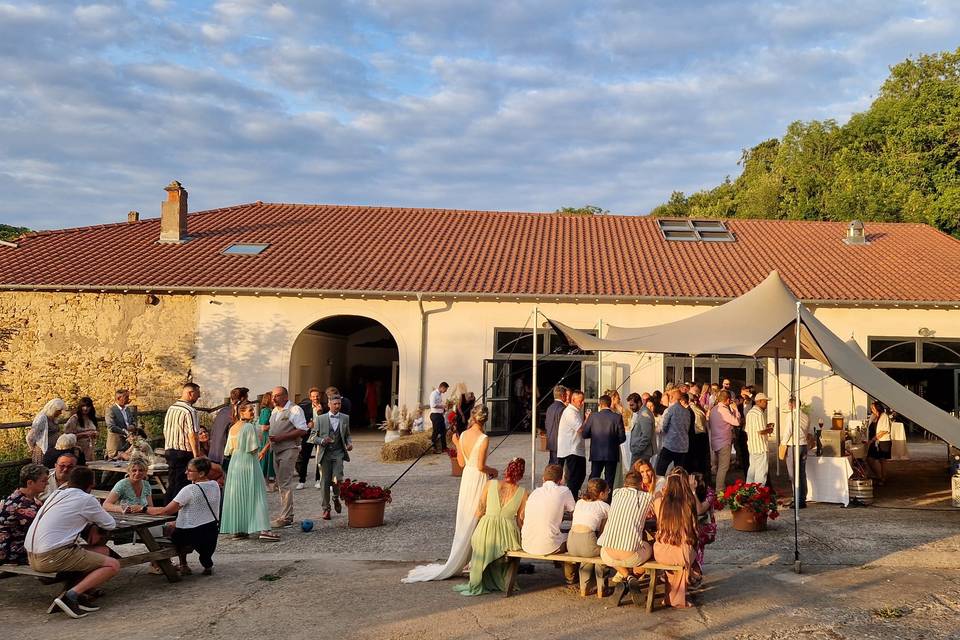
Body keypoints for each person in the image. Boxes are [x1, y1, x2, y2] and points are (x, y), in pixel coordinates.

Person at [403, 405, 498, 583]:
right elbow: (481, 466)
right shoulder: (484, 438)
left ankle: (463, 557)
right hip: (477, 478)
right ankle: (473, 559)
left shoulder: (463, 435)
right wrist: (494, 471)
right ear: (485, 419)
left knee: (466, 516)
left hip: (467, 478)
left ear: (472, 416)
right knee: (478, 516)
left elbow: (461, 463)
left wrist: (457, 444)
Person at [25, 466, 119, 618]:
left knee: (104, 552)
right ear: (91, 486)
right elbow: (110, 524)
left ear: (69, 482)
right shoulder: (87, 499)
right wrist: (95, 524)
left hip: (32, 555)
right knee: (113, 564)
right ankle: (70, 596)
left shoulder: (55, 494)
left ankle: (80, 594)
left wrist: (92, 524)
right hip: (51, 556)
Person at [454, 457, 528, 596]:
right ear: (521, 475)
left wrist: (476, 530)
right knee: (511, 544)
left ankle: (478, 580)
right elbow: (520, 520)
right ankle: (502, 581)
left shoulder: (490, 484)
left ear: (507, 470)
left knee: (480, 541)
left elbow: (480, 510)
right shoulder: (523, 492)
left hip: (485, 528)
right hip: (507, 535)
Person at [147, 457, 220, 576]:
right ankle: (207, 564)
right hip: (211, 530)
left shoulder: (189, 489)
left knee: (171, 530)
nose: (186, 472)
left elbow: (166, 511)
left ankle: (182, 564)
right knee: (177, 525)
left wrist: (143, 509)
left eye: (190, 471)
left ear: (201, 473)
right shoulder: (214, 485)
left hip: (190, 533)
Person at [221, 402, 277, 541]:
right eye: (250, 410)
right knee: (257, 493)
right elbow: (253, 448)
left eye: (253, 410)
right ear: (241, 412)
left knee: (238, 494)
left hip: (235, 462)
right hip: (248, 461)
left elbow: (228, 450)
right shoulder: (248, 427)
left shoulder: (233, 428)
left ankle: (239, 529)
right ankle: (264, 529)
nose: (252, 412)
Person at [597, 471, 654, 600]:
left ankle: (626, 576)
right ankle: (631, 579)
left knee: (620, 547)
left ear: (625, 484)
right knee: (650, 547)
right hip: (631, 557)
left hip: (607, 555)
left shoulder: (616, 493)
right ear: (641, 484)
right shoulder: (646, 497)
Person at [520, 464, 576, 586]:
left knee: (554, 532)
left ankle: (558, 563)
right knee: (572, 540)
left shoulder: (535, 492)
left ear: (543, 479)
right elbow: (574, 511)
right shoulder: (564, 490)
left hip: (527, 543)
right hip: (549, 545)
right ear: (561, 480)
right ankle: (570, 576)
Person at [652, 473, 698, 608]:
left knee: (677, 556)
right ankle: (677, 598)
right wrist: (692, 490)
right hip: (680, 554)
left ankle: (669, 597)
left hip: (660, 552)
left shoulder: (661, 503)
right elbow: (694, 530)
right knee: (689, 551)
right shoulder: (687, 504)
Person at [267, 386, 308, 528]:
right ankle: (286, 514)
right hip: (276, 449)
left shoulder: (295, 410)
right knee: (280, 483)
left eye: (277, 396)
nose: (274, 398)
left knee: (285, 482)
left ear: (285, 396)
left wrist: (282, 437)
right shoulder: (274, 411)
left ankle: (286, 517)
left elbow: (302, 429)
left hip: (289, 448)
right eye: (273, 396)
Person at [569, 478, 611, 598]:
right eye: (608, 491)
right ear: (602, 493)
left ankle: (584, 588)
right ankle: (601, 588)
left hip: (571, 542)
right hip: (587, 542)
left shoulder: (580, 502)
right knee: (602, 553)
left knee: (586, 556)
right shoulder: (604, 506)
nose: (608, 493)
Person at [313, 395, 353, 520]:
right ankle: (326, 509)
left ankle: (336, 497)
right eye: (335, 404)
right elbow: (312, 437)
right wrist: (322, 440)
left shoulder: (345, 418)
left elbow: (347, 435)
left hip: (339, 452)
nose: (337, 406)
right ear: (329, 405)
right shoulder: (320, 419)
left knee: (338, 479)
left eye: (339, 404)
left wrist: (349, 443)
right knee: (324, 482)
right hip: (325, 454)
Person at [162, 383, 202, 504]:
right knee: (182, 484)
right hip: (184, 451)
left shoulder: (171, 408)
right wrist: (196, 455)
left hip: (170, 449)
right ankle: (176, 513)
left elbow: (166, 430)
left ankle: (166, 509)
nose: (197, 398)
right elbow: (192, 435)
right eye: (197, 395)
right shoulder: (190, 411)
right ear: (191, 393)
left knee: (172, 481)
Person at [0, 464, 47, 565]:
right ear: (30, 482)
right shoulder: (21, 505)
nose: (47, 483)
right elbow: (42, 528)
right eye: (43, 481)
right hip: (12, 552)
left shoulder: (21, 497)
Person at [582, 394, 626, 485]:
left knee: (594, 477)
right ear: (610, 404)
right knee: (609, 479)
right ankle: (607, 498)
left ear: (600, 404)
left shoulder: (593, 416)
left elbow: (585, 434)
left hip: (596, 452)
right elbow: (622, 437)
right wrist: (613, 443)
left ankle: (592, 496)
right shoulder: (617, 417)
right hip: (612, 453)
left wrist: (595, 435)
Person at [558, 389, 587, 499]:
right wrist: (588, 419)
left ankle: (572, 497)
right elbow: (580, 429)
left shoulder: (575, 411)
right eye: (580, 401)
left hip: (577, 450)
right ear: (573, 400)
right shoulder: (570, 412)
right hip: (572, 450)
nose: (582, 403)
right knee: (574, 478)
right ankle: (571, 500)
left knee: (580, 475)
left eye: (583, 400)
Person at [708, 390, 740, 492]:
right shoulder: (724, 410)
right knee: (723, 467)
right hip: (723, 441)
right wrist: (735, 410)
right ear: (727, 400)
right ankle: (719, 489)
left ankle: (719, 487)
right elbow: (736, 422)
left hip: (715, 440)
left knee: (719, 466)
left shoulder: (713, 409)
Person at [208, 387, 248, 467]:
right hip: (226, 456)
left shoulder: (223, 410)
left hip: (214, 453)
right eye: (246, 399)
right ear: (243, 399)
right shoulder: (235, 414)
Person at [783, 396, 811, 508]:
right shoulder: (805, 416)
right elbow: (807, 430)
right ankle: (802, 498)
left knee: (793, 474)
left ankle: (797, 499)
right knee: (802, 473)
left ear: (792, 405)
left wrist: (783, 443)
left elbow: (788, 430)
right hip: (803, 444)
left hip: (794, 445)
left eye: (789, 404)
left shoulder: (791, 415)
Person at [655, 389, 690, 476]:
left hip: (670, 445)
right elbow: (687, 428)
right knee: (679, 473)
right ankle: (677, 488)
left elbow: (663, 426)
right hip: (683, 446)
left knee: (660, 470)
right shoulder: (687, 412)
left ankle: (659, 487)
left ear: (671, 397)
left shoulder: (670, 410)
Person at [296, 387, 326, 490]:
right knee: (304, 458)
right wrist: (307, 424)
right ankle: (302, 481)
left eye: (317, 396)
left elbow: (327, 421)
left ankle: (318, 480)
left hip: (320, 435)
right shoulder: (305, 408)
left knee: (319, 458)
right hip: (308, 435)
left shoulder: (325, 407)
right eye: (313, 396)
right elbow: (300, 421)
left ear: (320, 396)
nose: (315, 398)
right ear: (310, 397)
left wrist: (320, 412)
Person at [744, 393, 773, 484]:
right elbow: (760, 431)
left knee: (752, 470)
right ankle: (759, 493)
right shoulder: (759, 413)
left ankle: (748, 490)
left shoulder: (750, 412)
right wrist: (769, 429)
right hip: (760, 446)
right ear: (759, 401)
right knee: (761, 472)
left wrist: (766, 427)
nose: (767, 404)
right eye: (765, 401)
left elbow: (749, 429)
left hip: (752, 446)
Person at [27, 398, 66, 464]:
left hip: (53, 449)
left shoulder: (53, 418)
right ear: (53, 409)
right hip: (43, 451)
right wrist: (33, 448)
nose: (60, 413)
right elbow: (30, 437)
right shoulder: (42, 418)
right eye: (59, 410)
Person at [64, 397, 99, 462]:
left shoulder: (92, 418)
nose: (85, 408)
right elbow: (68, 436)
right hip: (78, 449)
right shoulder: (74, 418)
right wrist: (84, 434)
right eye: (83, 406)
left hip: (90, 448)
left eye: (88, 406)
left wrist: (95, 433)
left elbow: (96, 430)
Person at [686, 394, 711, 483]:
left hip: (696, 438)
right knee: (701, 463)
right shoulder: (698, 409)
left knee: (696, 463)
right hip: (701, 436)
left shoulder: (690, 410)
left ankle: (697, 483)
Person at [105, 389, 138, 459]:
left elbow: (133, 421)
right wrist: (126, 432)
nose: (128, 399)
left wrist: (133, 426)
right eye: (126, 397)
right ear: (119, 398)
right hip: (116, 444)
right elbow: (111, 426)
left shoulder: (128, 410)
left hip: (128, 445)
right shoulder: (111, 410)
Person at [866, 400, 893, 485]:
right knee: (869, 459)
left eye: (873, 408)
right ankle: (878, 475)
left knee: (882, 460)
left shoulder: (884, 416)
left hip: (883, 441)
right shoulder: (873, 416)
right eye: (871, 408)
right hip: (874, 441)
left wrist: (873, 439)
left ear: (877, 408)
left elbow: (884, 431)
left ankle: (883, 478)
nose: (872, 409)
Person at [543, 386, 568, 466]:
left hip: (551, 441)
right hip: (560, 443)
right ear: (563, 396)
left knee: (552, 464)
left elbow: (546, 424)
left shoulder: (549, 408)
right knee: (557, 468)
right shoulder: (563, 409)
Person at [628, 393, 655, 465]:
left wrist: (638, 450)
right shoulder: (641, 413)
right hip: (640, 452)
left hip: (642, 453)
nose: (630, 407)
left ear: (639, 403)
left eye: (632, 405)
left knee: (634, 475)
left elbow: (647, 435)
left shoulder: (644, 414)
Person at [256, 391, 275, 488]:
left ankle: (270, 482)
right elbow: (263, 427)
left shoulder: (271, 410)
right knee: (266, 459)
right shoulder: (266, 411)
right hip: (267, 437)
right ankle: (265, 483)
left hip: (271, 436)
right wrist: (276, 425)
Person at [429, 382, 450, 454]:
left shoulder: (439, 395)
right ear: (442, 387)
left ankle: (444, 447)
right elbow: (433, 405)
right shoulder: (434, 394)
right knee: (436, 431)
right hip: (435, 415)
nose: (446, 391)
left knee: (443, 431)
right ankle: (433, 448)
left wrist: (444, 409)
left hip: (440, 415)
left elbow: (439, 404)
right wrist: (442, 406)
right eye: (446, 389)